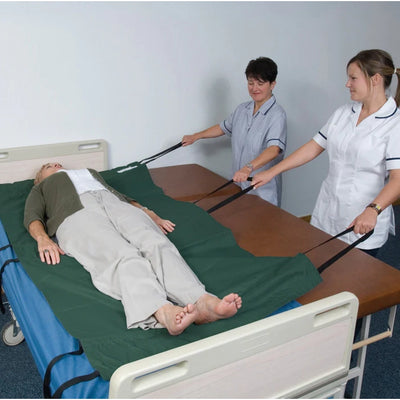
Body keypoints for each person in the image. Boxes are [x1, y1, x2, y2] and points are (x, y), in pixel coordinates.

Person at [24, 163, 242, 335]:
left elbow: (122, 197)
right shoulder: (41, 188)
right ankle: (161, 310)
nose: (56, 164)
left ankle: (201, 301)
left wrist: (151, 214)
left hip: (117, 206)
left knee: (156, 244)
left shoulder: (89, 173)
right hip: (76, 215)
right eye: (48, 166)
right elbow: (32, 216)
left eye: (57, 163)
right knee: (122, 254)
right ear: (39, 178)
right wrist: (43, 238)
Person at [252, 49, 400, 256]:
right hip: (328, 209)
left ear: (375, 79)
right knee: (321, 271)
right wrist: (272, 172)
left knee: (353, 280)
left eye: (353, 78)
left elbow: (397, 179)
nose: (347, 84)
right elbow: (314, 146)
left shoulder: (394, 124)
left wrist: (373, 209)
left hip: (362, 218)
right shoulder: (343, 113)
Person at [182, 57, 287, 206]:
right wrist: (196, 136)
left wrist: (248, 168)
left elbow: (274, 149)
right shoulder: (242, 109)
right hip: (238, 184)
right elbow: (223, 127)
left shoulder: (277, 115)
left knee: (262, 227)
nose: (254, 88)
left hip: (263, 189)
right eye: (251, 83)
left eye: (260, 83)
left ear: (272, 84)